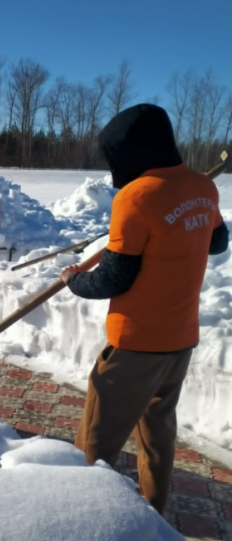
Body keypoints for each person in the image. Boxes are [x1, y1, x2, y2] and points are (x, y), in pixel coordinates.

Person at [60, 103, 229, 514]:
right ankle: (153, 509)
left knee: (96, 443)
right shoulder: (203, 188)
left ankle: (79, 515)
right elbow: (217, 242)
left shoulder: (135, 197)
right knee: (157, 433)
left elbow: (113, 278)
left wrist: (73, 280)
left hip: (135, 345)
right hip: (180, 341)